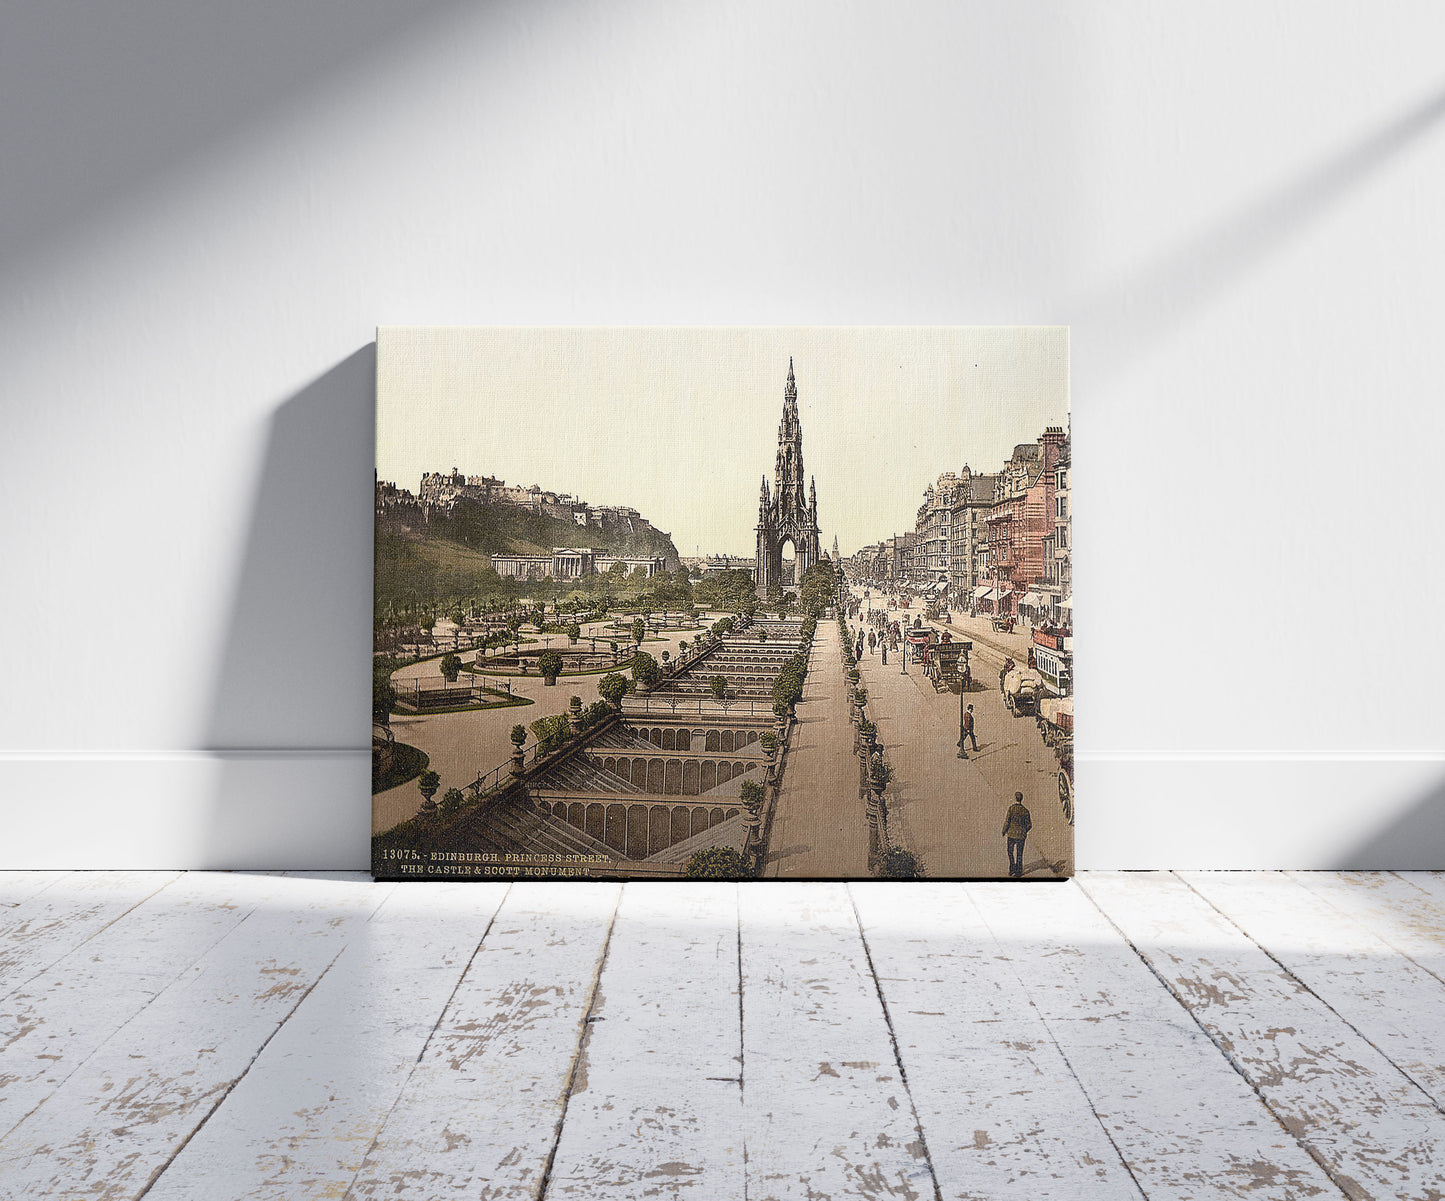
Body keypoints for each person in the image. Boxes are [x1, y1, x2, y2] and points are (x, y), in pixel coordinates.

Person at [1002, 793, 1032, 878]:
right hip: (1021, 836)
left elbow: (1007, 821)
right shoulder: (1025, 811)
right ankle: (1018, 872)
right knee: (1019, 853)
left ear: (1015, 798)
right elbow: (1029, 825)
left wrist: (1004, 831)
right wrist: (1024, 831)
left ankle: (1012, 868)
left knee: (1010, 852)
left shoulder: (1011, 808)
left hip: (1011, 835)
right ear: (1021, 799)